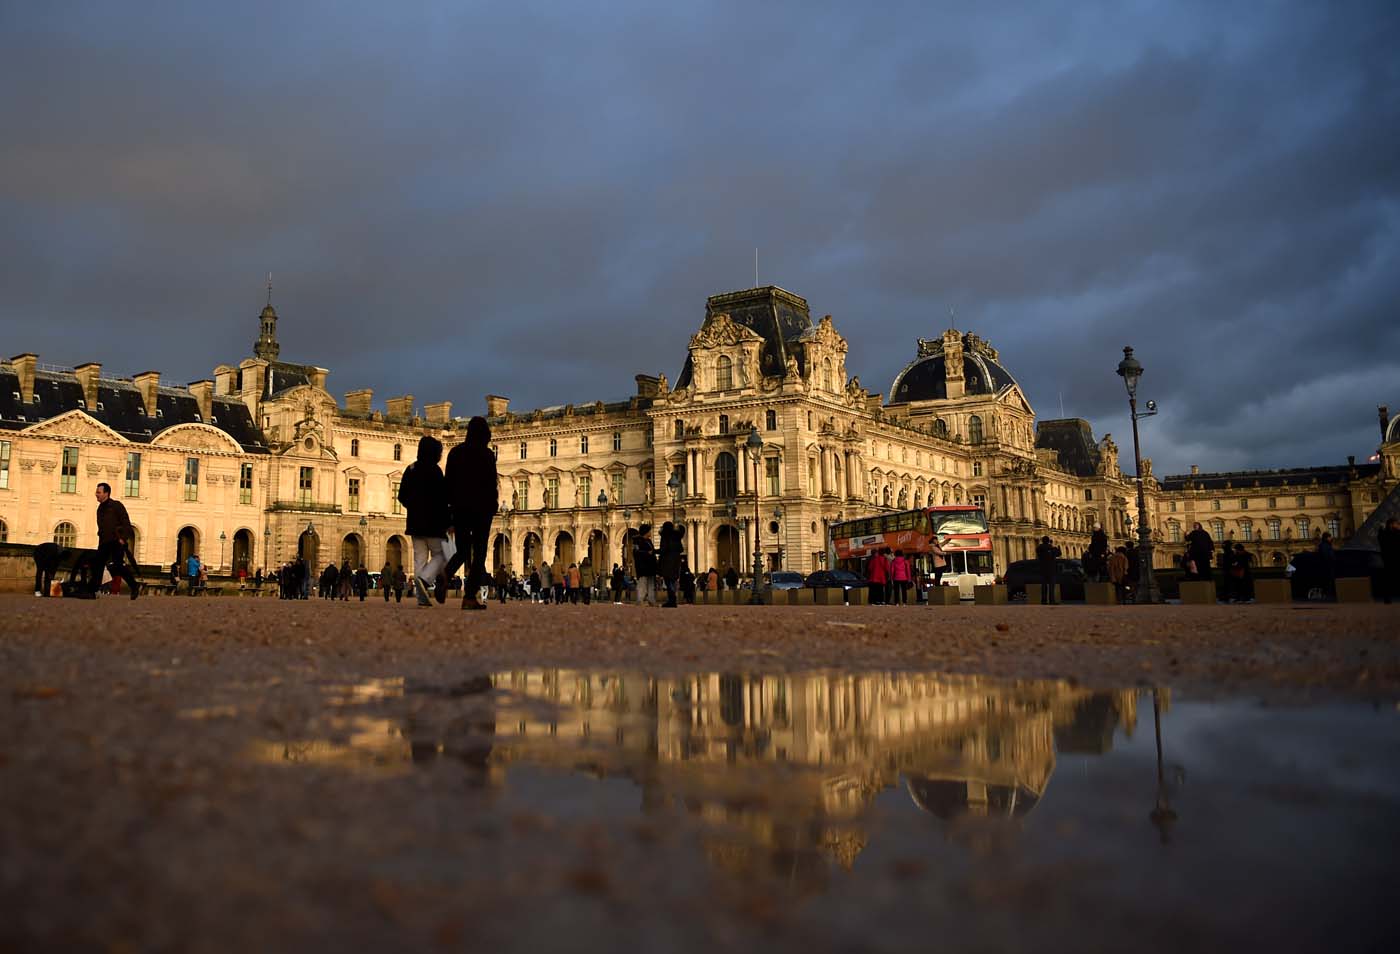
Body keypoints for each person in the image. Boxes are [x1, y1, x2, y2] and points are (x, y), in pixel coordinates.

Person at [442, 416, 499, 611]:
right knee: (480, 552)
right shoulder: (487, 455)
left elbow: (447, 485)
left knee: (462, 550)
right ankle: (469, 597)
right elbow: (492, 484)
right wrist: (494, 504)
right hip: (482, 509)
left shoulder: (455, 453)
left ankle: (446, 573)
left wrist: (448, 512)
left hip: (460, 508)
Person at [398, 435, 451, 607]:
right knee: (442, 554)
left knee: (419, 559)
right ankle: (425, 579)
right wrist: (447, 520)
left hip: (414, 522)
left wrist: (413, 507)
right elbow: (442, 499)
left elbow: (401, 496)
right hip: (434, 522)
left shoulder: (411, 468)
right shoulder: (435, 471)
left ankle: (421, 597)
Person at [92, 483, 141, 600]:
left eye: (98, 492)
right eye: (97, 492)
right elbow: (102, 527)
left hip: (116, 541)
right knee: (98, 565)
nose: (96, 494)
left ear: (106, 493)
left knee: (118, 566)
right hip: (104, 542)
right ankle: (93, 590)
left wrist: (123, 538)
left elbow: (126, 523)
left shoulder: (116, 506)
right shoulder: (100, 509)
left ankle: (134, 585)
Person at [658, 520, 683, 608]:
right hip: (676, 560)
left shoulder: (665, 536)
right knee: (673, 580)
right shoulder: (677, 536)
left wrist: (654, 551)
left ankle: (672, 600)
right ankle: (673, 600)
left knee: (668, 582)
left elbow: (663, 549)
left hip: (667, 561)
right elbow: (681, 549)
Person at [633, 524, 658, 607]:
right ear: (646, 532)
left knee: (651, 584)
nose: (650, 532)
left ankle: (651, 600)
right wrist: (647, 553)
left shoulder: (649, 541)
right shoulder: (637, 541)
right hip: (642, 566)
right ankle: (640, 600)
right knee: (642, 583)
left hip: (651, 566)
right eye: (649, 531)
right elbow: (636, 552)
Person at [1378, 517, 1400, 605]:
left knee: (1388, 580)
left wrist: (1380, 529)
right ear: (1391, 524)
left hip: (1387, 560)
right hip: (1395, 560)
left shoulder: (1383, 534)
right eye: (1397, 524)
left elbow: (1380, 538)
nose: (1398, 525)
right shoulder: (1396, 534)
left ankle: (1387, 598)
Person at [1036, 535, 1060, 604]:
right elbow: (1059, 553)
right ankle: (1051, 600)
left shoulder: (1039, 548)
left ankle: (1043, 600)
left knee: (1044, 586)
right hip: (1051, 569)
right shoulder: (1051, 547)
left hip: (1042, 568)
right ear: (1048, 541)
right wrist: (1053, 545)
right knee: (1051, 586)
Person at [1317, 532, 1336, 601]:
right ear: (1326, 538)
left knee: (1328, 581)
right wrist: (1332, 560)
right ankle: (1328, 596)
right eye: (1330, 537)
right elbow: (1326, 556)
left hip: (1327, 566)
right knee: (1328, 581)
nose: (1331, 538)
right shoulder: (1324, 545)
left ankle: (1328, 595)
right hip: (1327, 566)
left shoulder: (1325, 545)